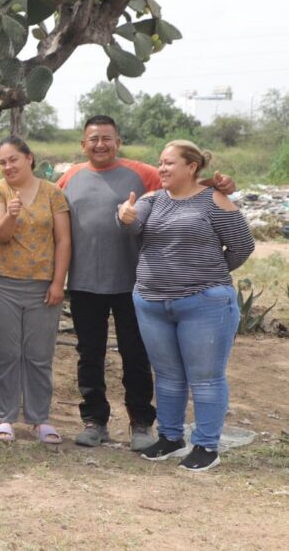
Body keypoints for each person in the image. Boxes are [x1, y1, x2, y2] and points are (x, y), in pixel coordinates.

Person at [59, 115, 236, 451]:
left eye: (107, 138)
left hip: (137, 284)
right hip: (83, 283)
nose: (100, 144)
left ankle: (141, 421)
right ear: (83, 144)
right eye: (93, 139)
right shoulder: (70, 177)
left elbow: (187, 185)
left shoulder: (145, 174)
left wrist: (222, 185)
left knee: (136, 354)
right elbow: (46, 208)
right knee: (89, 355)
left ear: (118, 142)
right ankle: (95, 419)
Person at [118, 140, 254, 471]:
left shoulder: (214, 200)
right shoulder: (152, 200)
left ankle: (207, 446)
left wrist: (206, 273)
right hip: (152, 303)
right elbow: (134, 225)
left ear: (191, 167)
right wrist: (124, 215)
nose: (161, 168)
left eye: (169, 163)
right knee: (167, 376)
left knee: (206, 377)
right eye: (160, 163)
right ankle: (170, 438)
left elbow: (241, 246)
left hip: (204, 304)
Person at [0, 136, 71, 444]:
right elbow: (0, 234)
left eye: (14, 159)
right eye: (3, 161)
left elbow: (63, 240)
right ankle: (4, 417)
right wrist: (11, 213)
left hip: (42, 286)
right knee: (4, 353)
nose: (8, 166)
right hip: (1, 283)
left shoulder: (53, 193)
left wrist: (58, 282)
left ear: (29, 158)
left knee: (38, 354)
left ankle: (39, 419)